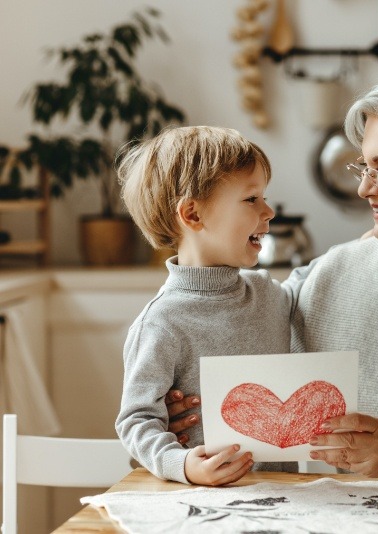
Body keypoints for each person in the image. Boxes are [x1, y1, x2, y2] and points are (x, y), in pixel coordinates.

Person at [166, 61, 378, 487]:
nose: (365, 188)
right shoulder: (335, 272)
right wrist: (191, 406)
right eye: (363, 168)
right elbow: (241, 346)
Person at [115, 125, 298, 486]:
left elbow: (319, 279)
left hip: (285, 498)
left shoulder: (269, 294)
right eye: (251, 199)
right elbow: (136, 420)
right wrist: (182, 464)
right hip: (199, 506)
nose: (269, 211)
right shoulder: (161, 322)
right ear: (193, 215)